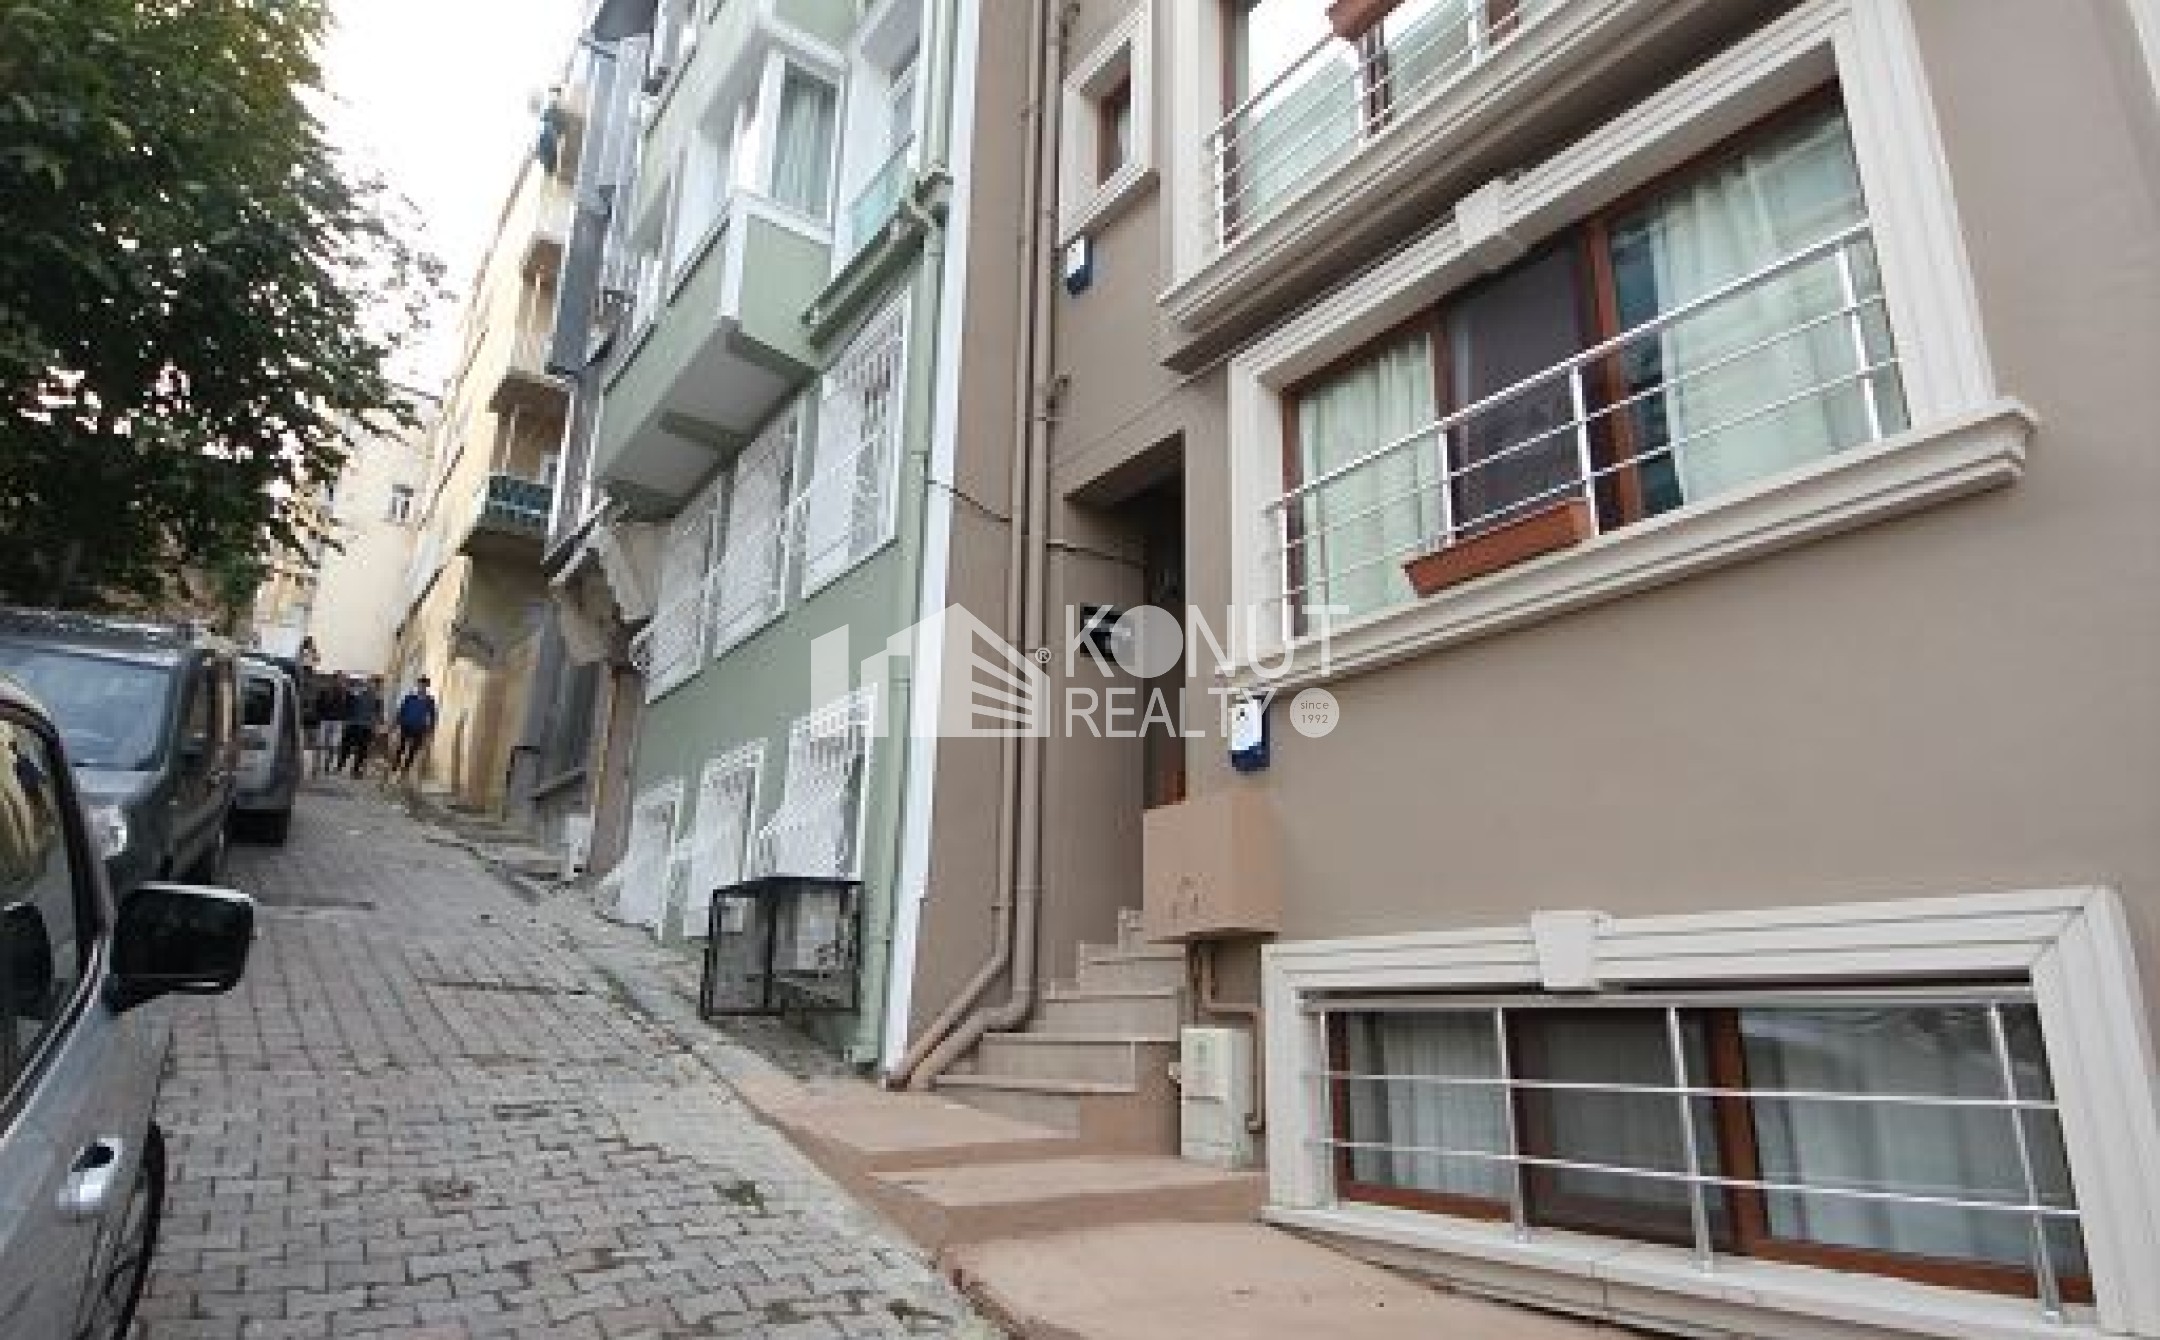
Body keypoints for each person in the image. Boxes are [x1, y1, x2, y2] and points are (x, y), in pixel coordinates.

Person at [391, 676, 438, 779]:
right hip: (406, 725)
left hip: (419, 728)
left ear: (427, 687)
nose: (422, 687)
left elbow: (433, 715)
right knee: (401, 747)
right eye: (421, 685)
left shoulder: (430, 701)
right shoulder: (409, 698)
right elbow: (402, 710)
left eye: (424, 685)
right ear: (418, 685)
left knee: (413, 749)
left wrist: (431, 729)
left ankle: (406, 768)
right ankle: (395, 765)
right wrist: (396, 723)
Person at [336, 675, 383, 778]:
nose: (373, 686)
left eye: (376, 684)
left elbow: (378, 713)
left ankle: (356, 769)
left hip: (367, 726)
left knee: (362, 749)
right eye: (372, 683)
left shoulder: (378, 698)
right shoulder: (358, 692)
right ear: (368, 683)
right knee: (346, 746)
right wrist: (346, 720)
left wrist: (377, 726)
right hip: (353, 723)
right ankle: (340, 764)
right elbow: (349, 705)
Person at [312, 675, 350, 776]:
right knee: (320, 745)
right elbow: (318, 704)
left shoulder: (345, 693)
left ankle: (326, 765)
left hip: (337, 721)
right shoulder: (325, 691)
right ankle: (316, 765)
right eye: (339, 679)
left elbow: (347, 707)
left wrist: (345, 720)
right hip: (325, 719)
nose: (340, 681)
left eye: (342, 680)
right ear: (334, 680)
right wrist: (318, 716)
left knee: (333, 745)